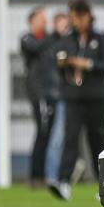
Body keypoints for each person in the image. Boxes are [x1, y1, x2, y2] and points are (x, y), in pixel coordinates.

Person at [49, 0, 104, 201]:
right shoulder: (67, 39)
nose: (74, 22)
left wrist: (85, 64)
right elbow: (57, 57)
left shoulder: (102, 37)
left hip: (97, 98)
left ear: (86, 16)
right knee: (70, 139)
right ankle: (63, 182)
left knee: (98, 140)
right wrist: (64, 62)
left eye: (77, 17)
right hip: (73, 98)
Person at [20, 7, 56, 188]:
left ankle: (42, 175)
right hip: (39, 93)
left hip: (52, 92)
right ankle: (36, 177)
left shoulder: (48, 40)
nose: (45, 21)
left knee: (47, 134)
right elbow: (35, 48)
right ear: (31, 20)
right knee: (42, 133)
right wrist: (54, 36)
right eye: (41, 18)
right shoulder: (27, 39)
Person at [44, 13, 70, 185]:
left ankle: (63, 176)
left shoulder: (71, 43)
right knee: (57, 137)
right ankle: (52, 176)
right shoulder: (52, 44)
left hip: (73, 97)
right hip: (60, 97)